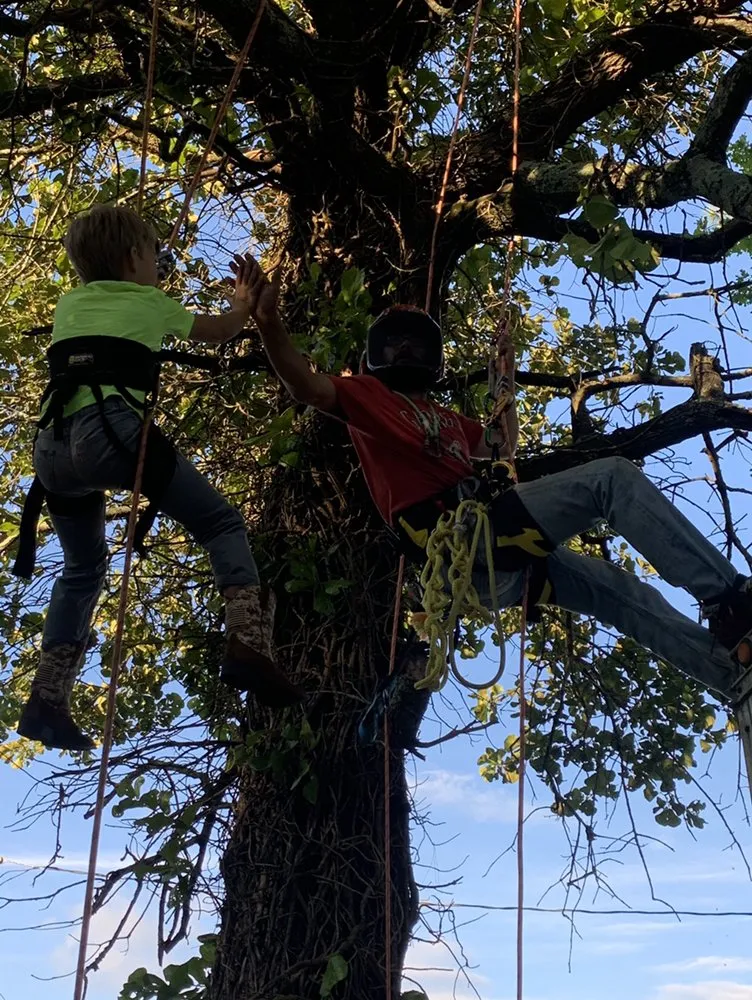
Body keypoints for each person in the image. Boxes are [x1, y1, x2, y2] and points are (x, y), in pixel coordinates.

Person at [246, 255, 752, 705]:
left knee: (619, 592)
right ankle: (730, 601)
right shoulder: (364, 396)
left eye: (414, 344)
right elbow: (306, 386)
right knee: (610, 480)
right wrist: (268, 323)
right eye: (394, 344)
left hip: (496, 551)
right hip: (460, 538)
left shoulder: (446, 419)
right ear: (376, 354)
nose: (404, 351)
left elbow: (500, 446)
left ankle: (734, 676)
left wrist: (504, 377)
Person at [16, 207, 301, 753]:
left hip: (51, 451)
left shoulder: (70, 303)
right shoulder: (149, 302)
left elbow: (119, 304)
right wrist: (242, 303)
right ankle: (248, 642)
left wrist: (146, 266)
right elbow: (220, 332)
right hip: (111, 434)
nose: (156, 265)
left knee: (82, 566)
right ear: (132, 259)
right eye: (150, 254)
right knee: (220, 521)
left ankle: (47, 696)